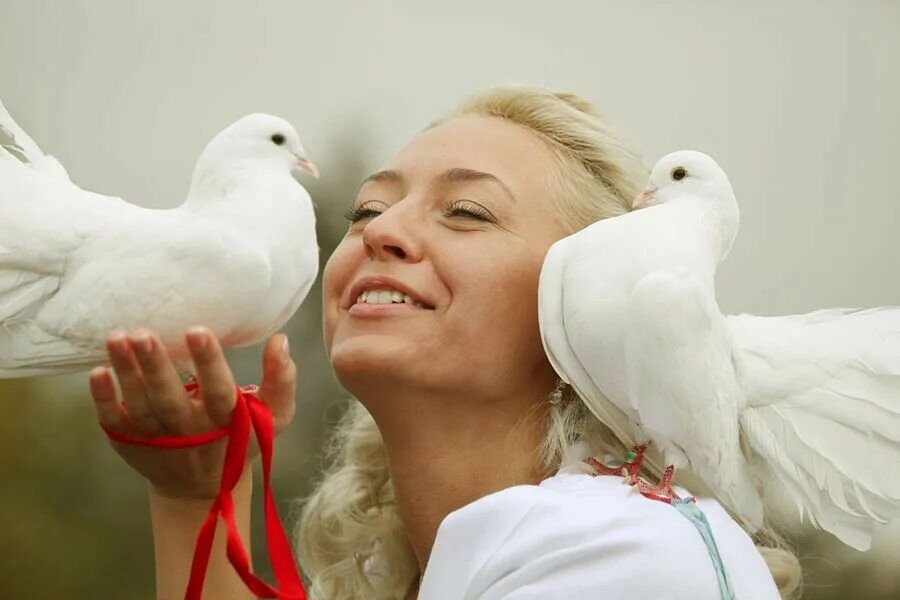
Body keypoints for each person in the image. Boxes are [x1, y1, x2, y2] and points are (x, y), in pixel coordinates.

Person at [90, 85, 801, 599]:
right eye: (365, 208)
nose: (380, 231)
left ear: (592, 298)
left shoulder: (624, 557)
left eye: (466, 212)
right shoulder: (423, 571)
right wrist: (198, 496)